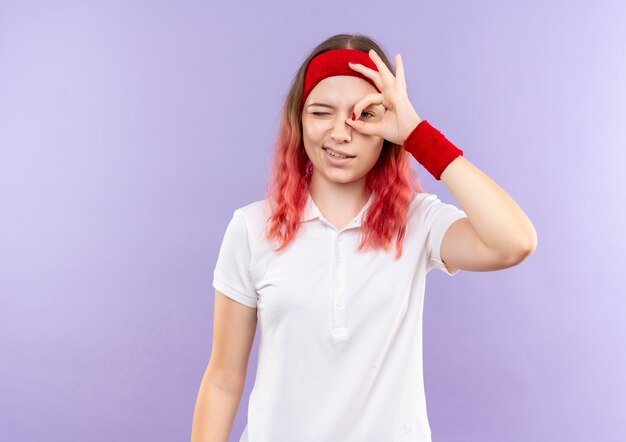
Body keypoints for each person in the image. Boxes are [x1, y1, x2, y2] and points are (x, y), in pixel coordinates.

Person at [191, 33, 537, 442]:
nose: (341, 133)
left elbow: (514, 241)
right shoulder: (251, 227)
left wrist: (417, 133)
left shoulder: (418, 221)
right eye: (321, 112)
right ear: (298, 121)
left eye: (363, 116)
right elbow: (223, 380)